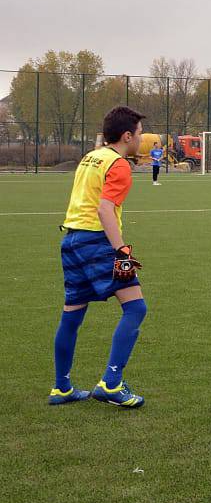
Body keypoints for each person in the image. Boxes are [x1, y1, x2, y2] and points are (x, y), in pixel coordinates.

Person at [50, 105, 153, 407]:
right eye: (139, 134)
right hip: (97, 242)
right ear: (126, 136)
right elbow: (104, 209)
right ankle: (111, 383)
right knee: (136, 308)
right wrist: (121, 249)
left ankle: (62, 388)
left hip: (71, 240)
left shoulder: (90, 157)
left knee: (72, 314)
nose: (141, 138)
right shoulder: (120, 165)